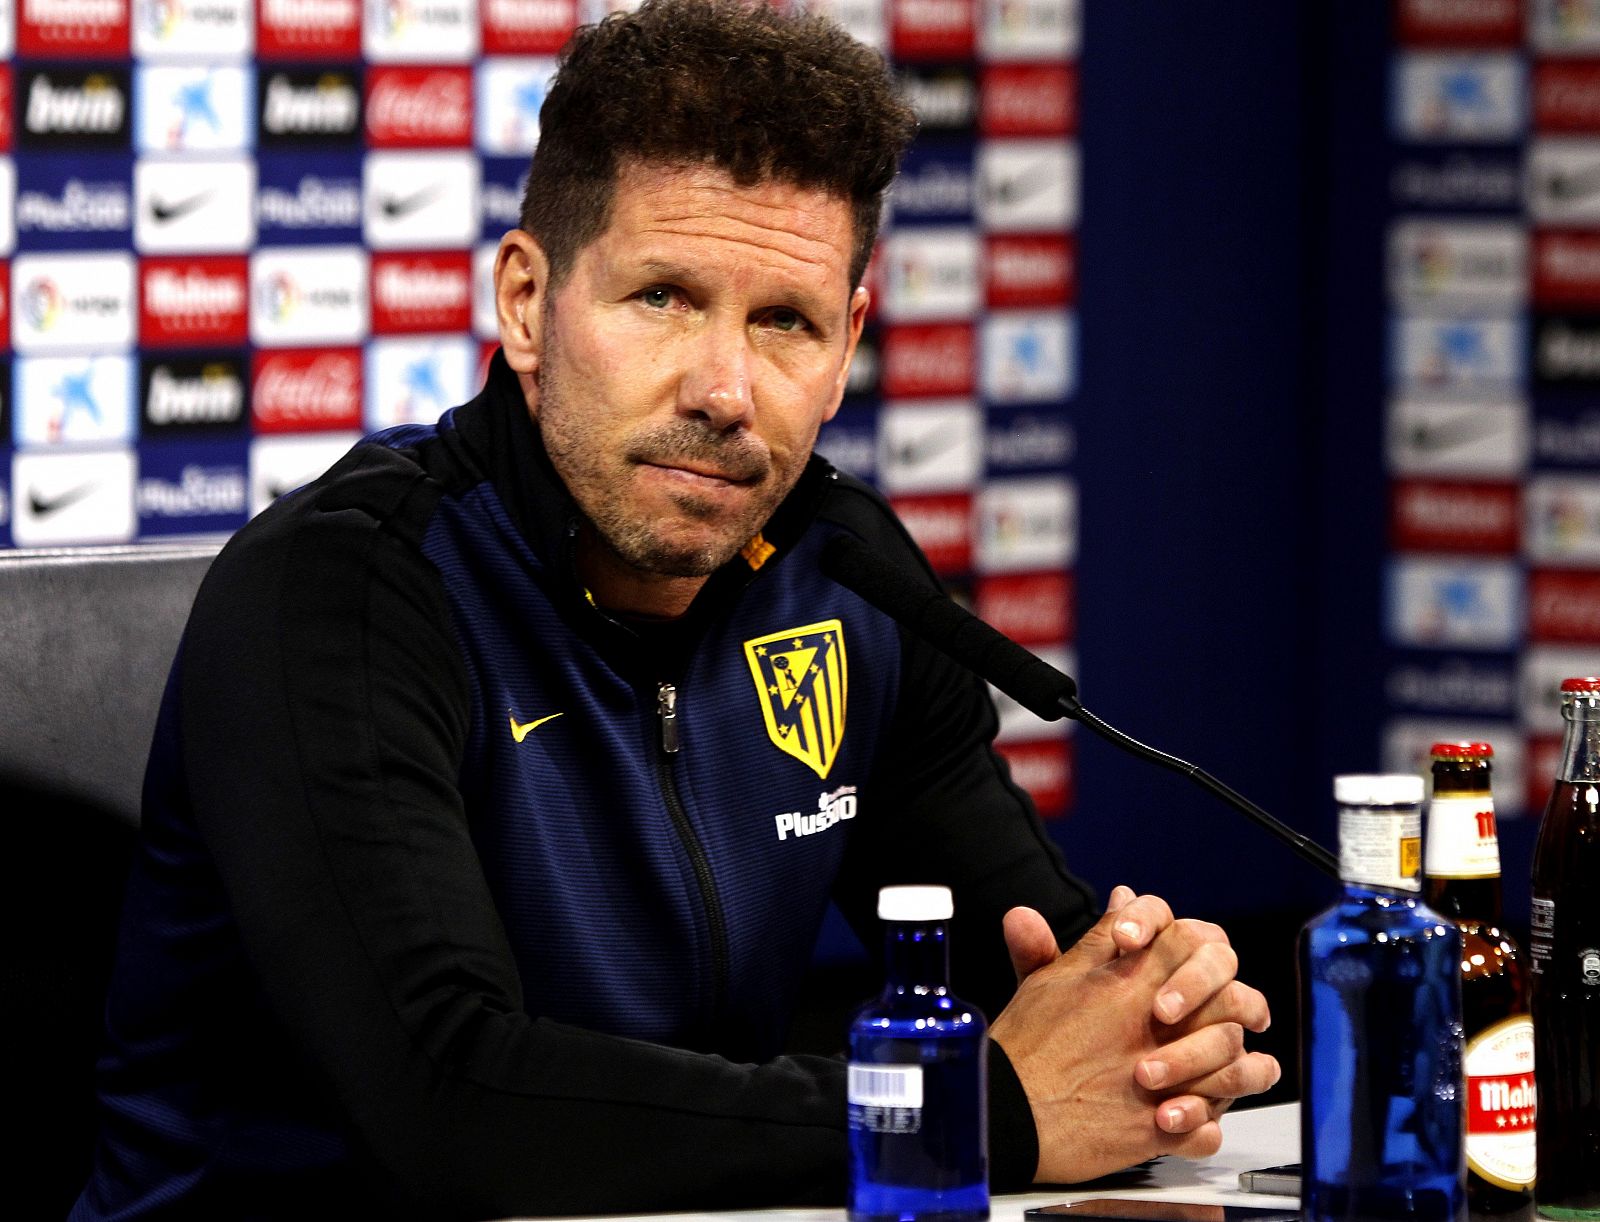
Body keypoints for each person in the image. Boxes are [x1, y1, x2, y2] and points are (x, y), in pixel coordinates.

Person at [73, 2, 1278, 1217]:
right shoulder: (348, 593)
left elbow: (1045, 993)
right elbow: (446, 1102)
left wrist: (1155, 1031)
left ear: (848, 341)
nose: (724, 389)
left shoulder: (843, 576)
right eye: (661, 297)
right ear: (529, 304)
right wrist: (971, 1110)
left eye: (785, 323)